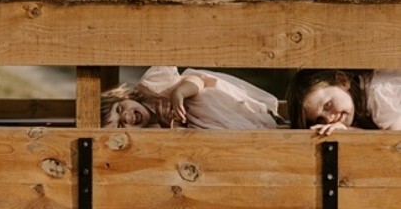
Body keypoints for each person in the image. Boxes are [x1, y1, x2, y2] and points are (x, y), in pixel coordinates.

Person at [101, 66, 282, 129]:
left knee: (203, 97)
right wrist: (167, 127)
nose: (126, 117)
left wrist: (179, 93)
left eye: (119, 109)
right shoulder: (151, 133)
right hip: (213, 131)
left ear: (122, 97)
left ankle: (265, 121)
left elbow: (198, 80)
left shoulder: (150, 88)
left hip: (220, 106)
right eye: (119, 125)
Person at [286, 68, 401, 135]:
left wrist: (351, 132)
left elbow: (394, 144)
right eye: (320, 119)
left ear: (343, 81)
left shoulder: (379, 92)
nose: (329, 119)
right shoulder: (361, 104)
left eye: (327, 105)